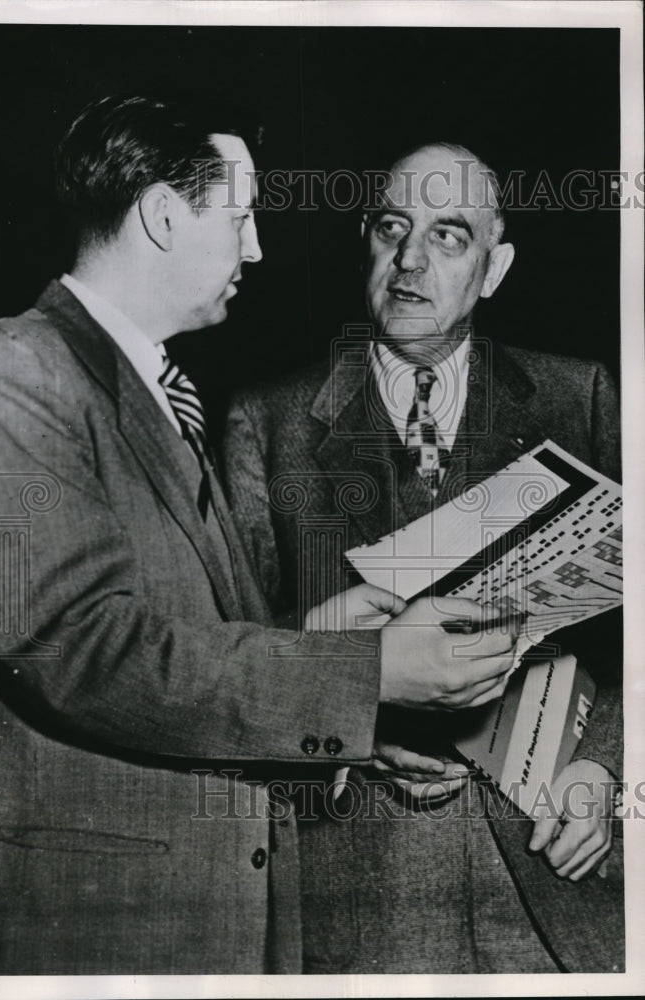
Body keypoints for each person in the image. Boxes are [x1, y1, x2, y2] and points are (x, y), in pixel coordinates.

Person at [0, 104, 521, 976]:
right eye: (241, 219)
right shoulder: (21, 366)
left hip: (189, 919)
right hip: (100, 926)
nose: (255, 251)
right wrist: (369, 672)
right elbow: (78, 646)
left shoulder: (151, 384)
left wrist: (329, 647)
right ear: (165, 217)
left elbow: (182, 637)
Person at [225, 142, 624, 974]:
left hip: (561, 881)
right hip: (367, 893)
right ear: (365, 242)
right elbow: (234, 661)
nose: (411, 260)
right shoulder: (265, 424)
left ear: (495, 266)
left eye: (449, 236)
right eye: (392, 227)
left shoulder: (581, 396)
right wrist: (353, 721)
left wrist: (604, 772)